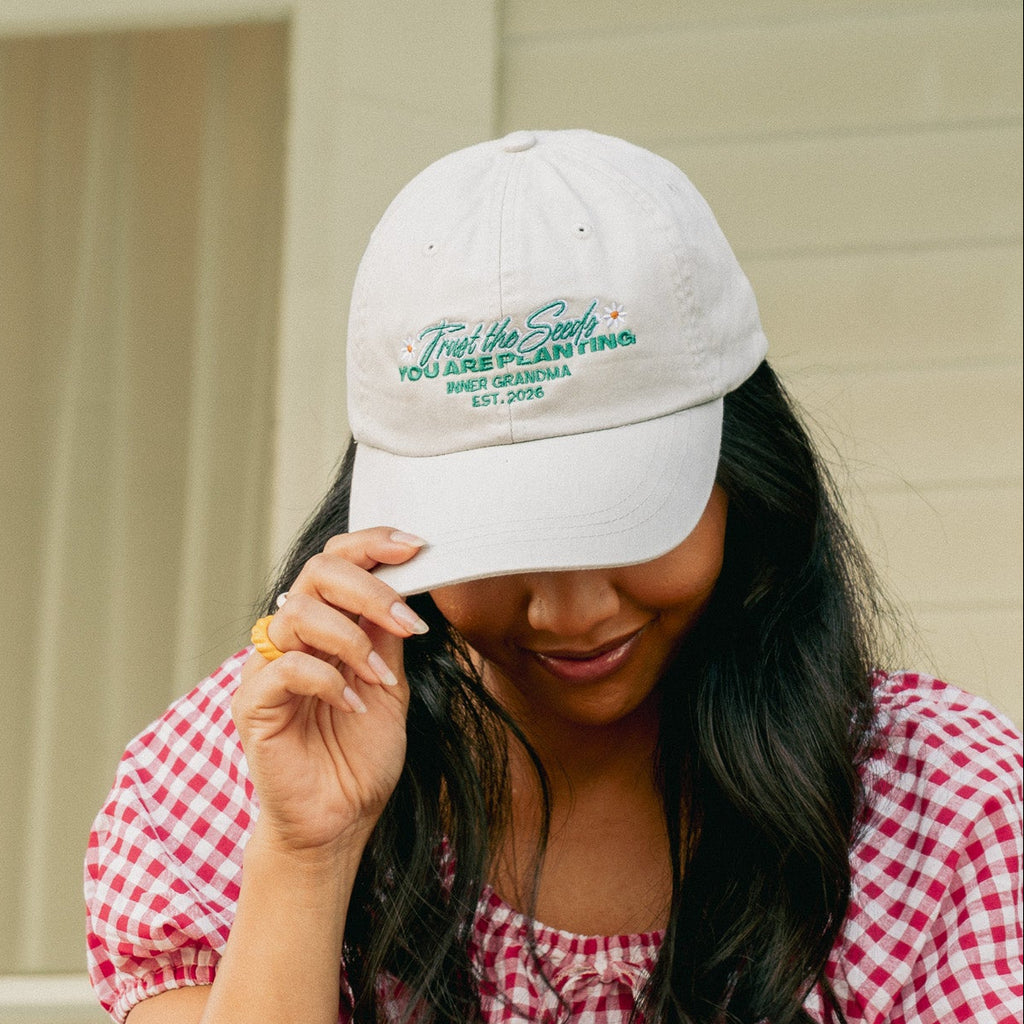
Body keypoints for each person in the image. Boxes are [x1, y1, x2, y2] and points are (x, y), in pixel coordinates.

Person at [85, 130, 1022, 1024]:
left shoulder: (939, 807)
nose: (571, 612)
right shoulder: (245, 771)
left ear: (745, 475)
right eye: (498, 545)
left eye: (628, 524)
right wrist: (306, 856)